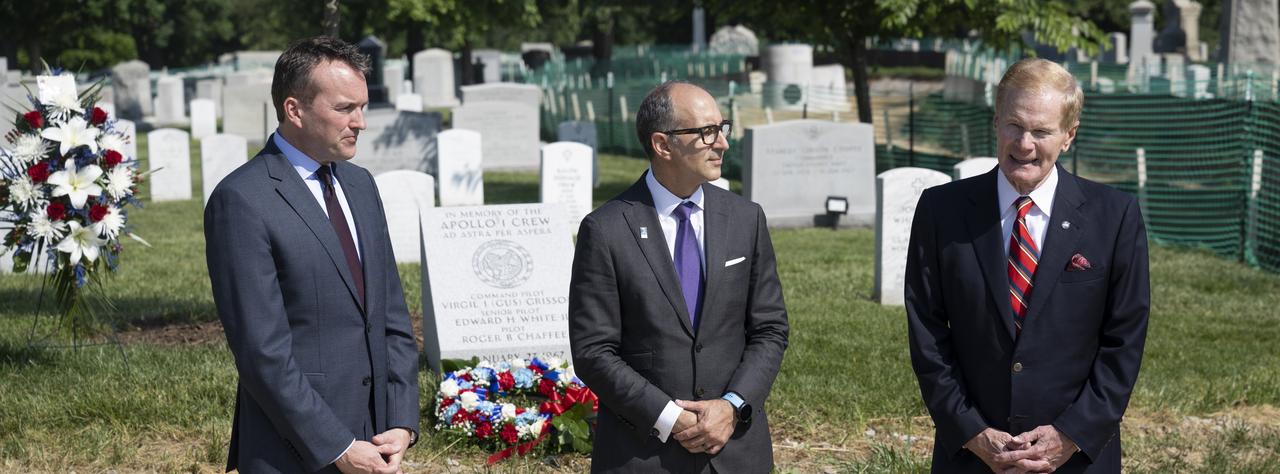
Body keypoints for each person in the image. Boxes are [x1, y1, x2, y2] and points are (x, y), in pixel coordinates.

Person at [905, 58, 1150, 473]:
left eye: (1041, 131)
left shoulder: (1114, 217)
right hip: (971, 457)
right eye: (1014, 126)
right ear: (996, 122)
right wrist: (971, 431)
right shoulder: (941, 211)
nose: (1024, 144)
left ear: (1069, 135)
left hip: (1077, 458)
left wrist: (1070, 435)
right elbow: (927, 334)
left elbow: (1124, 340)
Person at [205, 36, 419, 474]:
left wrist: (400, 420)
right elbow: (261, 351)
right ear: (294, 110)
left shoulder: (360, 185)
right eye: (344, 108)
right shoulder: (243, 199)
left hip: (377, 437)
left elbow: (391, 315)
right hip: (293, 449)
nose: (360, 122)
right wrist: (337, 445)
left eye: (362, 107)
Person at [569, 81, 789, 473]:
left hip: (736, 450)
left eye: (722, 128)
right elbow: (594, 350)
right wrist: (670, 418)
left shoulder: (745, 219)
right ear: (662, 144)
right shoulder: (606, 229)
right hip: (644, 455)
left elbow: (770, 328)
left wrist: (732, 406)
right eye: (706, 132)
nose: (722, 143)